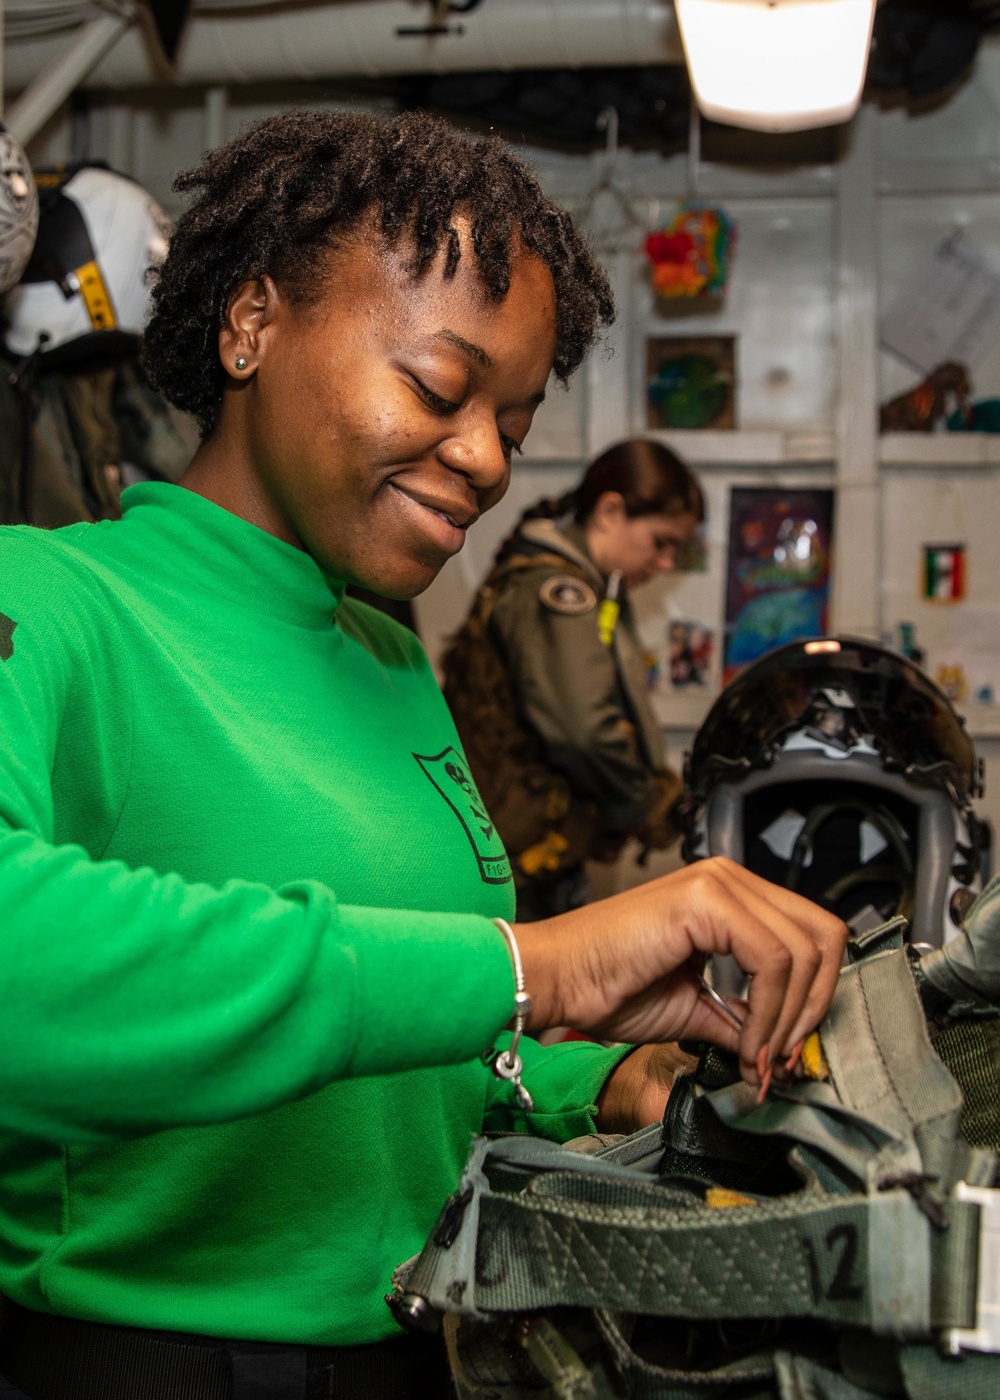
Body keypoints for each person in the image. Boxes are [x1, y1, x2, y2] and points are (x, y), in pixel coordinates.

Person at [0, 110, 845, 1400]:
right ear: (251, 322)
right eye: (441, 390)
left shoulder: (391, 658)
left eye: (513, 417)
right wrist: (537, 963)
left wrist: (602, 1070)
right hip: (148, 1357)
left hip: (428, 1343)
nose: (488, 459)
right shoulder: (52, 600)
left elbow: (426, 1043)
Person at [443, 439, 703, 920]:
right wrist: (643, 805)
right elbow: (583, 731)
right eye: (661, 542)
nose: (666, 562)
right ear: (609, 511)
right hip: (517, 868)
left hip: (535, 853)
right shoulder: (559, 593)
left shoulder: (591, 588)